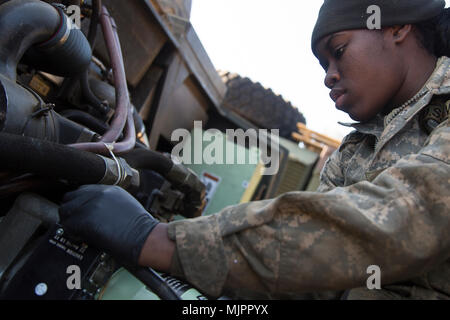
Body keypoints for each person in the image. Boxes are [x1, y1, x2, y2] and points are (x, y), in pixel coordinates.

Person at [59, 0, 450, 300]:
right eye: (322, 63)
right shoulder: (352, 153)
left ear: (395, 27)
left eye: (339, 50)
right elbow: (314, 275)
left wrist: (158, 241)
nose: (328, 75)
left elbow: (398, 219)